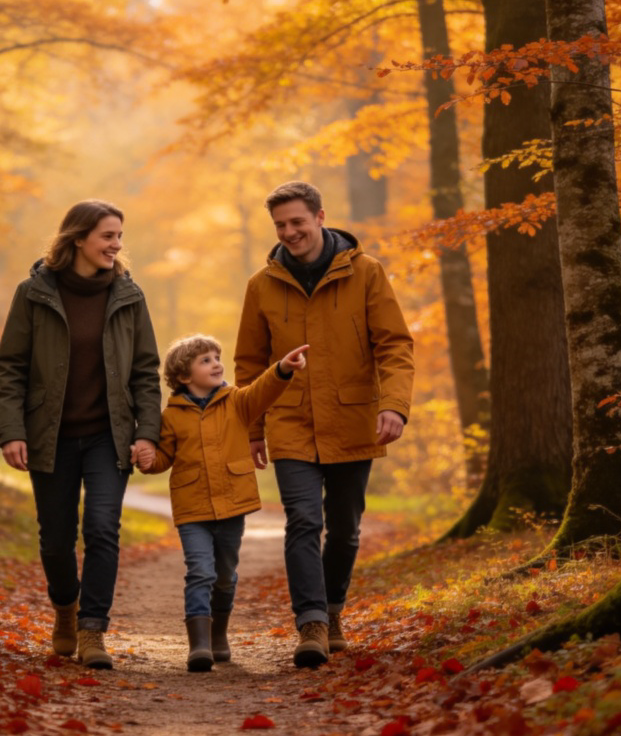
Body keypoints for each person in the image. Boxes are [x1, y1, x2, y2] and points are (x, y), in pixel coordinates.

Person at [235, 181, 414, 668]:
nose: (290, 232)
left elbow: (395, 345)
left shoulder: (367, 273)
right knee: (303, 521)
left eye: (297, 221)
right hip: (289, 419)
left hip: (354, 417)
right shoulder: (261, 285)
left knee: (346, 528)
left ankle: (333, 609)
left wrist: (394, 406)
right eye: (280, 225)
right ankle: (311, 624)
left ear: (319, 216)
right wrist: (252, 429)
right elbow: (249, 364)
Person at [0, 200, 161, 670]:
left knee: (103, 529)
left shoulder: (129, 296)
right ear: (78, 239)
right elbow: (10, 368)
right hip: (51, 436)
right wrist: (11, 432)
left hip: (110, 434)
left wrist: (147, 432)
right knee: (56, 539)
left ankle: (92, 630)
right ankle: (65, 609)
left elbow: (146, 372)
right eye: (108, 236)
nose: (117, 245)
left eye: (119, 236)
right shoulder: (34, 293)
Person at [134, 335, 309, 672]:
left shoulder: (236, 402)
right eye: (205, 360)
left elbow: (263, 391)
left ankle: (218, 635)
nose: (216, 363)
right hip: (192, 506)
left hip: (232, 503)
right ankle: (198, 645)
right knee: (200, 571)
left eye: (217, 356)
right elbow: (162, 459)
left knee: (224, 575)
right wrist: (146, 458)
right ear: (184, 376)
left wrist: (283, 369)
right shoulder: (171, 416)